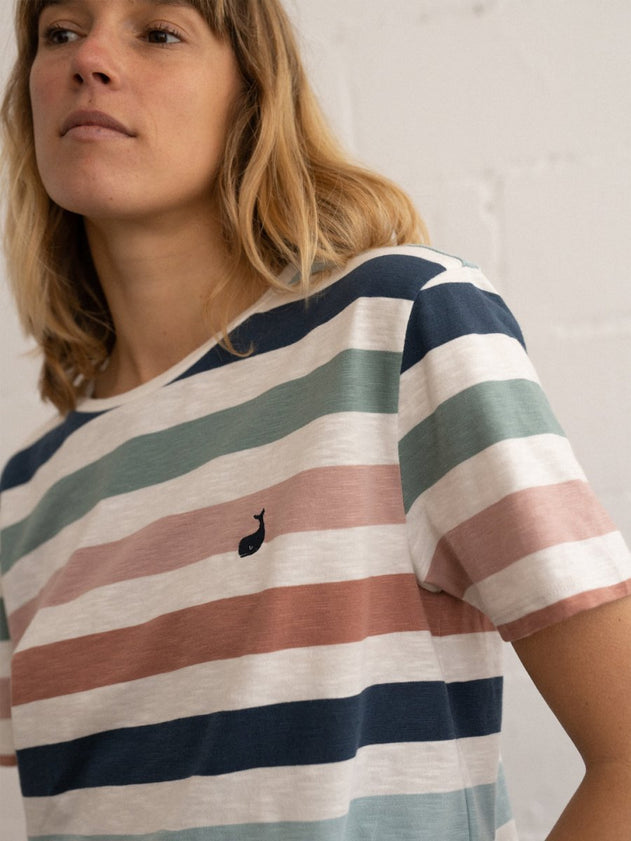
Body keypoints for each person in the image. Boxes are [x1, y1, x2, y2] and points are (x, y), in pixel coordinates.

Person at [1, 1, 630, 839]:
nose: (90, 60)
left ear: (253, 93)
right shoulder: (24, 494)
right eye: (60, 33)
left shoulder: (397, 327)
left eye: (158, 32)